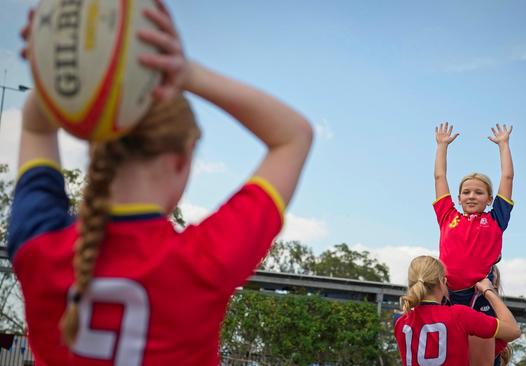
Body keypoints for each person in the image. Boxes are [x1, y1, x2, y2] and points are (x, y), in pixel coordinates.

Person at [8, 1, 313, 364]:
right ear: (181, 161)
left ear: (100, 150)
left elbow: (34, 126)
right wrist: (189, 74)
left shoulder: (39, 245)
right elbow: (294, 135)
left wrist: (53, 68)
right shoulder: (204, 261)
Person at [432, 122, 514, 365]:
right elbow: (439, 176)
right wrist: (442, 146)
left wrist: (503, 145)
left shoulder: (496, 219)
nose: (471, 196)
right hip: (445, 293)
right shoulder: (448, 215)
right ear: (458, 197)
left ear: (489, 199)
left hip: (478, 294)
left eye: (478, 192)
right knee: (450, 349)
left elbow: (507, 176)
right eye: (466, 192)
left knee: (482, 351)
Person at [393, 256, 520, 366]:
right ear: (443, 282)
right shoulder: (459, 316)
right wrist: (488, 291)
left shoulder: (400, 323)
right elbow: (513, 331)